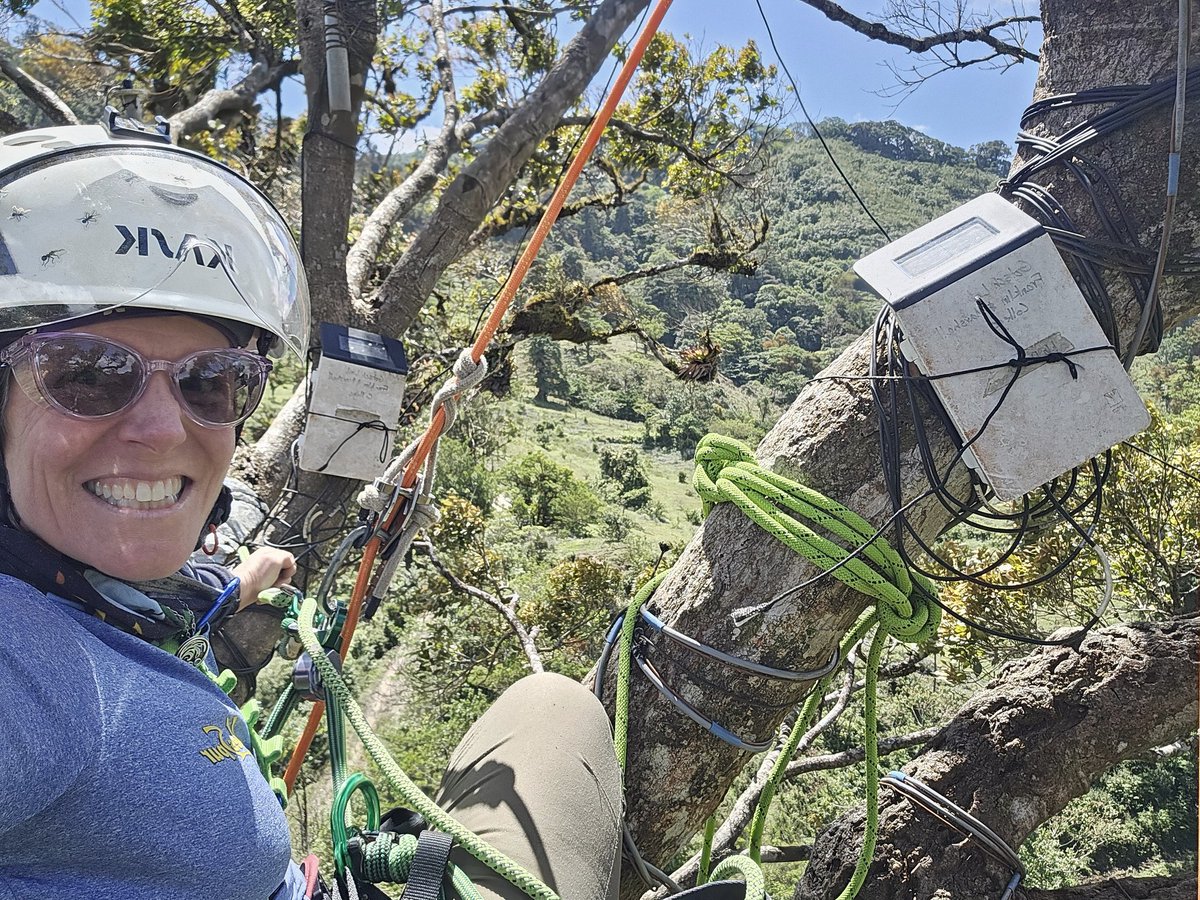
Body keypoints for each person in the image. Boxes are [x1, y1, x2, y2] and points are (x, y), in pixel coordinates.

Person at [0, 120, 621, 900]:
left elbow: (148, 612)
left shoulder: (101, 597)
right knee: (557, 708)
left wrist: (240, 583)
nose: (163, 430)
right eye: (88, 374)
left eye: (211, 380)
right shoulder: (24, 666)